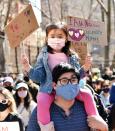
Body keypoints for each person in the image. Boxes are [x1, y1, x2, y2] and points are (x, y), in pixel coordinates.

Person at [21, 22, 97, 131]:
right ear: (47, 39)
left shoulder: (72, 56)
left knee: (87, 94)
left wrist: (85, 67)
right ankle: (46, 127)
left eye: (60, 36)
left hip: (69, 89)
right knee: (42, 100)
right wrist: (28, 67)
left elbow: (76, 75)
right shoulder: (43, 56)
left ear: (66, 39)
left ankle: (94, 120)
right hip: (48, 90)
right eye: (52, 36)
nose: (56, 39)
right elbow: (39, 76)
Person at [27, 63, 108, 131]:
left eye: (73, 80)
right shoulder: (40, 111)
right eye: (64, 81)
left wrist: (104, 127)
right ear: (54, 85)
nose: (70, 84)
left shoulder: (86, 107)